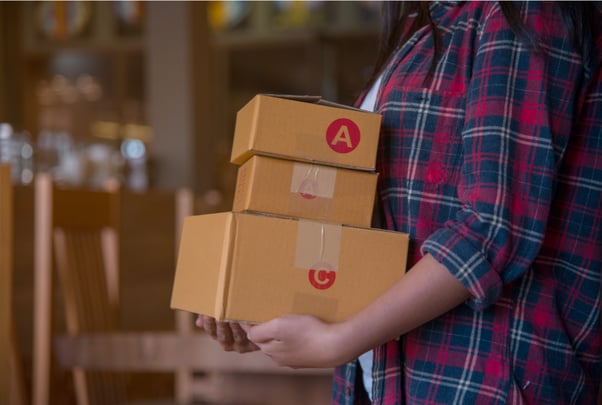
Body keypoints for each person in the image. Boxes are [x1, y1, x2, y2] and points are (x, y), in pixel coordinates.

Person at [197, 1, 602, 403]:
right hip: (385, 378)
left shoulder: (522, 10)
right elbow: (368, 229)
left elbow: (491, 226)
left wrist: (338, 340)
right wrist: (267, 306)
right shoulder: (421, 29)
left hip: (484, 373)